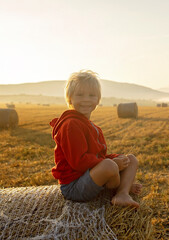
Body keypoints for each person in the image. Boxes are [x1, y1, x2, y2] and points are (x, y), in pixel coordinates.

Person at [50, 70, 142, 208]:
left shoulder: (93, 127)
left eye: (91, 95)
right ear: (70, 98)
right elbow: (79, 162)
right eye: (80, 95)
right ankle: (120, 187)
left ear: (98, 99)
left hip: (89, 176)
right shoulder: (70, 125)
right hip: (74, 186)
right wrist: (112, 162)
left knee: (131, 159)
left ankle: (122, 193)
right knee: (109, 165)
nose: (86, 99)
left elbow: (99, 156)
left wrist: (118, 158)